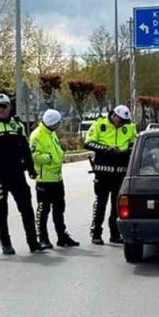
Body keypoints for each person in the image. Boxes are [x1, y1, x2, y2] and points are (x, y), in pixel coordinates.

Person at [0, 94, 43, 255]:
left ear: (10, 107)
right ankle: (5, 242)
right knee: (1, 209)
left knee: (26, 208)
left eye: (5, 106)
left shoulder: (17, 126)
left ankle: (33, 242)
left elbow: (25, 149)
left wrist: (31, 168)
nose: (2, 109)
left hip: (17, 174)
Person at [84, 105, 136, 245]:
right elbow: (88, 143)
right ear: (114, 116)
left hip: (120, 172)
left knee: (116, 206)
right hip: (103, 171)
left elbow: (134, 144)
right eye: (121, 120)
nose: (123, 124)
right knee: (100, 203)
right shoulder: (99, 124)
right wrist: (106, 149)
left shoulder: (129, 127)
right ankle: (96, 233)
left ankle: (115, 233)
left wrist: (125, 151)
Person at [30, 109, 78, 249]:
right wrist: (50, 158)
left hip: (57, 178)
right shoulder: (37, 135)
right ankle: (43, 238)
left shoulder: (51, 133)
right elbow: (34, 156)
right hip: (44, 180)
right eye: (58, 123)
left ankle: (62, 236)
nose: (59, 125)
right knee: (43, 210)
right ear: (52, 123)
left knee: (59, 209)